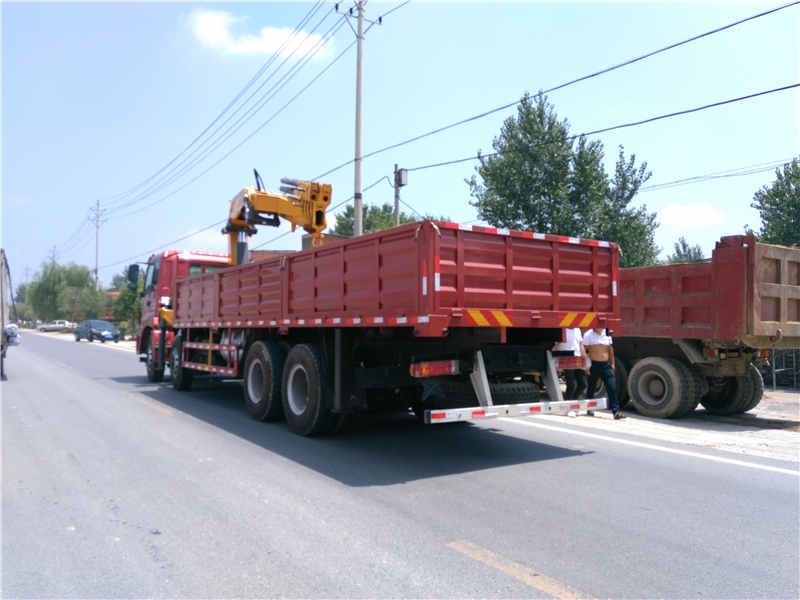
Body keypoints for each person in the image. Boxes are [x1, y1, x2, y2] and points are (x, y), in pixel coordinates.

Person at [583, 327, 625, 419]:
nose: (600, 327)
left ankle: (616, 411)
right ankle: (589, 409)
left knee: (612, 387)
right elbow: (584, 350)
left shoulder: (607, 333)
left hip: (606, 365)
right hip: (593, 365)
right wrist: (586, 365)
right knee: (591, 388)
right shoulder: (588, 334)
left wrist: (613, 363)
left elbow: (610, 349)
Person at [554, 327, 587, 399]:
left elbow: (580, 345)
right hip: (567, 358)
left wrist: (585, 360)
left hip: (578, 358)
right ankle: (568, 401)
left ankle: (574, 400)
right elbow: (557, 346)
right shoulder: (562, 330)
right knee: (571, 385)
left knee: (583, 384)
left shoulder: (577, 330)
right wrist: (557, 363)